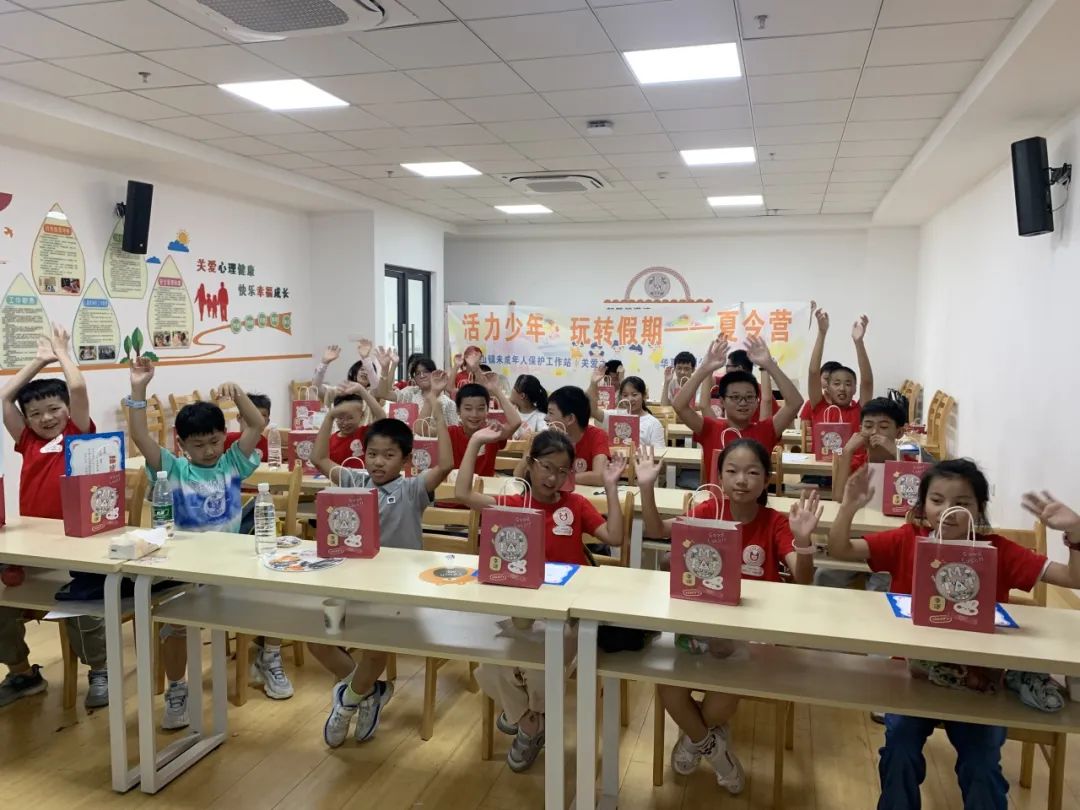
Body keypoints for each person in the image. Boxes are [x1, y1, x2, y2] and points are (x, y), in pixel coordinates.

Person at [828, 460, 1080, 810]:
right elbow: (840, 550)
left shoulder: (998, 549)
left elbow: (1073, 578)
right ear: (922, 505)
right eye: (937, 500)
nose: (949, 511)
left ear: (979, 508)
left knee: (981, 765)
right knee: (899, 751)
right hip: (914, 677)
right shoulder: (907, 539)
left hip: (979, 681)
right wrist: (848, 508)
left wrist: (1076, 534)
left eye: (962, 502)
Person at [636, 440, 818, 795]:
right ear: (719, 477)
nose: (742, 480)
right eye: (732, 471)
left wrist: (804, 542)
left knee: (722, 698)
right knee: (667, 686)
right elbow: (657, 530)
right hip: (699, 622)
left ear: (767, 480)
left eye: (753, 472)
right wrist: (646, 487)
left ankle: (694, 741)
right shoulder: (708, 510)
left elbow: (804, 578)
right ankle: (716, 752)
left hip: (752, 630)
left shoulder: (775, 522)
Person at [455, 427, 627, 772]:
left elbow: (615, 537)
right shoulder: (513, 503)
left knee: (539, 664)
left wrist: (611, 486)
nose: (553, 478)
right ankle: (531, 722)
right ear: (531, 464)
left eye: (563, 471)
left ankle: (523, 719)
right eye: (547, 467)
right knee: (491, 663)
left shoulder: (575, 504)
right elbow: (462, 493)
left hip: (568, 612)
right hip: (522, 609)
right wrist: (475, 442)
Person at [126, 358, 271, 724]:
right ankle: (177, 688)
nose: (209, 450)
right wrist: (139, 388)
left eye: (215, 441)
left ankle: (269, 657)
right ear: (182, 444)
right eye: (199, 444)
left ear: (224, 436)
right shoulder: (173, 468)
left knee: (269, 602)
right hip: (185, 567)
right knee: (176, 628)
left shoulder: (232, 463)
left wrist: (238, 394)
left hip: (229, 565)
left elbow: (257, 423)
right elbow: (140, 436)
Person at [308, 389, 453, 748]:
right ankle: (371, 691)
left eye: (389, 456)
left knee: (376, 647)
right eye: (372, 454)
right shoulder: (354, 481)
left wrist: (438, 416)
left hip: (397, 587)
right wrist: (330, 416)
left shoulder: (412, 489)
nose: (378, 462)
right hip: (352, 580)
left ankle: (348, 702)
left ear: (406, 460)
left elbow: (445, 465)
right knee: (316, 640)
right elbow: (318, 457)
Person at [0, 325, 107, 710]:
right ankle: (22, 672)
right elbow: (4, 396)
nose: (45, 418)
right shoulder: (27, 441)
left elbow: (76, 388)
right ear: (26, 420)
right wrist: (38, 360)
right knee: (3, 602)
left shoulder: (79, 432)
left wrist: (61, 353)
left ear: (67, 412)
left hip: (76, 544)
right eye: (35, 413)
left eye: (53, 409)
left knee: (83, 604)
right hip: (33, 545)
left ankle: (100, 670)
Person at [673, 337, 803, 478]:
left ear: (756, 401)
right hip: (718, 494)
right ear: (722, 401)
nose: (742, 403)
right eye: (735, 397)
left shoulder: (765, 430)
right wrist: (704, 369)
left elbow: (795, 403)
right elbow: (679, 406)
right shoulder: (711, 429)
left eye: (749, 397)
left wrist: (770, 365)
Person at [819, 396, 913, 591]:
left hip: (889, 541)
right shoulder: (857, 460)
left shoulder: (910, 464)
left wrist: (896, 454)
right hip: (856, 536)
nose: (874, 432)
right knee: (824, 575)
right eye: (868, 426)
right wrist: (846, 453)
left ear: (899, 432)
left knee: (882, 585)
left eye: (883, 427)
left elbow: (911, 501)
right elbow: (838, 497)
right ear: (860, 429)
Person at [805, 310, 873, 454]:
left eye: (848, 384)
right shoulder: (819, 406)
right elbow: (813, 372)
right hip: (821, 468)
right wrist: (822, 333)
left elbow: (867, 382)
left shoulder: (859, 411)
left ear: (855, 389)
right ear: (827, 387)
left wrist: (859, 343)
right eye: (836, 384)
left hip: (852, 467)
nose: (842, 388)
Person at [433, 372, 521, 477]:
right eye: (468, 409)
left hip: (485, 486)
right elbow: (421, 429)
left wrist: (496, 390)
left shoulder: (492, 432)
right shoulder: (451, 433)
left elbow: (516, 422)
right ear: (458, 410)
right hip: (454, 486)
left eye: (480, 409)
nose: (474, 414)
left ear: (487, 410)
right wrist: (433, 393)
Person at [540, 385, 609, 486]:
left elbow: (599, 477)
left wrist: (560, 478)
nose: (546, 418)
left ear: (570, 419)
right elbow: (536, 474)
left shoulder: (598, 436)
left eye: (551, 413)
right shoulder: (550, 438)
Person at [375, 348, 459, 426]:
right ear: (414, 378)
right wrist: (385, 369)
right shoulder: (411, 393)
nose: (422, 376)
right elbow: (383, 394)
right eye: (418, 373)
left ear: (434, 373)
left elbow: (454, 431)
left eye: (426, 371)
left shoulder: (447, 403)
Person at [588, 372, 665, 450]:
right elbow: (593, 410)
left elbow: (659, 451)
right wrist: (593, 384)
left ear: (644, 396)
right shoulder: (615, 416)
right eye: (625, 395)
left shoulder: (654, 424)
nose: (629, 399)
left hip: (640, 457)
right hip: (616, 457)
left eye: (634, 395)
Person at [326, 383, 387, 466]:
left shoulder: (365, 433)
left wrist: (361, 390)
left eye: (350, 418)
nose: (345, 423)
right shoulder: (330, 441)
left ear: (362, 416)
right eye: (340, 418)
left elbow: (382, 418)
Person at [312, 342, 379, 399]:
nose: (365, 372)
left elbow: (376, 387)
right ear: (355, 372)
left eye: (368, 371)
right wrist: (324, 363)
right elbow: (316, 389)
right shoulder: (342, 391)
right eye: (362, 369)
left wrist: (365, 358)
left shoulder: (372, 394)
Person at [225, 392, 272, 462]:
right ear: (239, 417)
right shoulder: (226, 440)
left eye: (262, 416)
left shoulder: (268, 447)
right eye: (252, 416)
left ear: (267, 422)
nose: (256, 421)